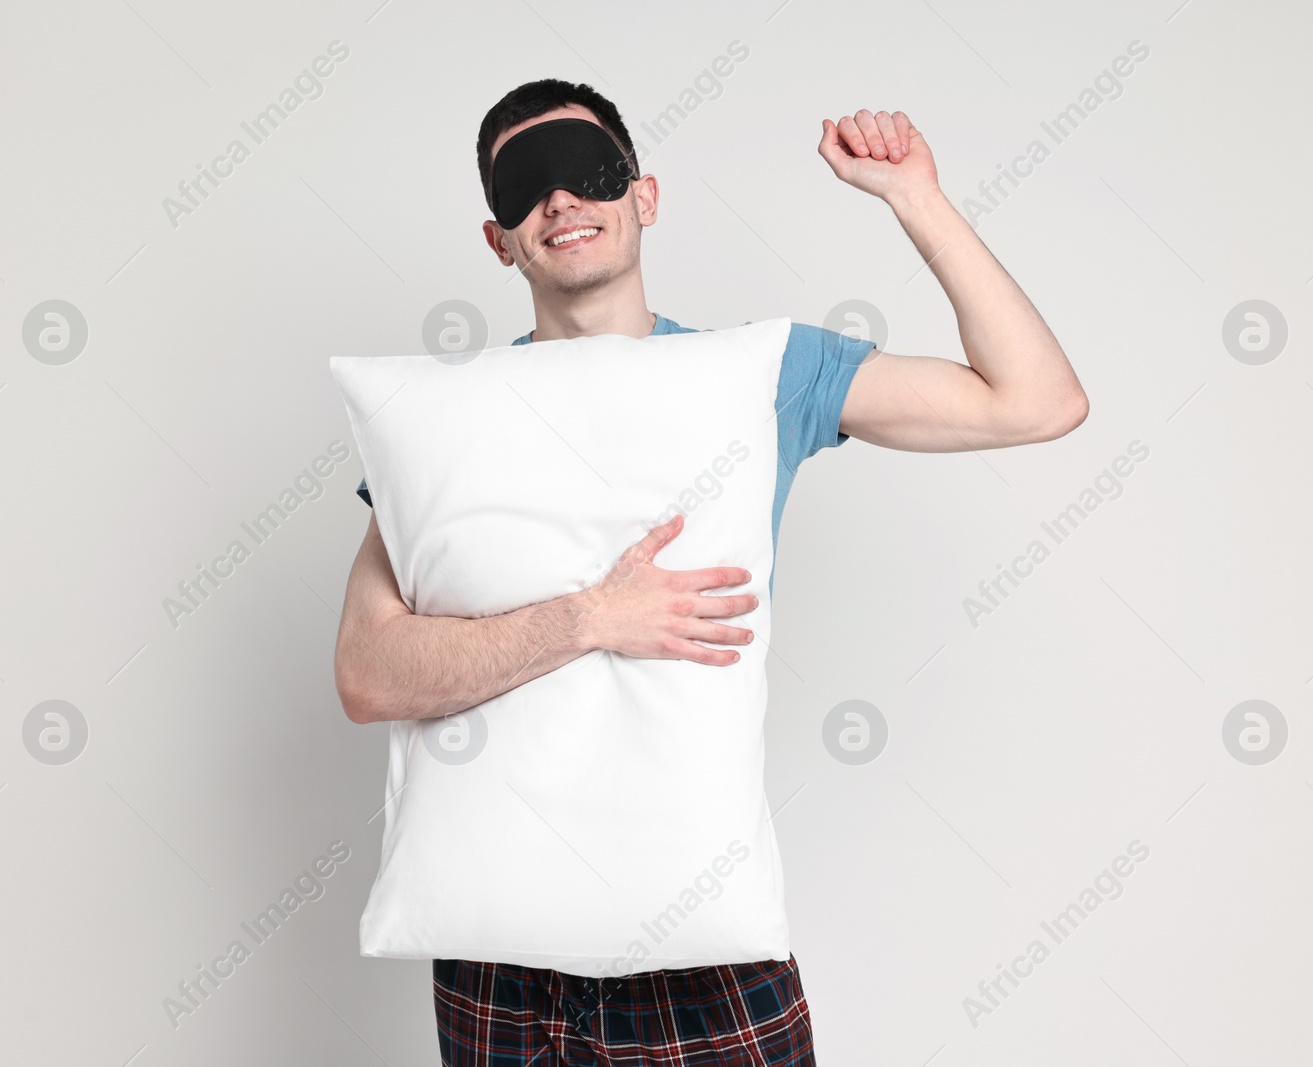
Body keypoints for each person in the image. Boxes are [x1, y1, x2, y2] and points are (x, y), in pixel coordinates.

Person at [333, 78, 1087, 1067]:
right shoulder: (448, 424)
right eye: (526, 184)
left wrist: (916, 198)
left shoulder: (759, 376)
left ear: (643, 197)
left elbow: (1035, 400)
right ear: (499, 238)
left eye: (584, 170)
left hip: (700, 935)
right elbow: (369, 673)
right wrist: (593, 616)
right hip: (497, 952)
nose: (559, 200)